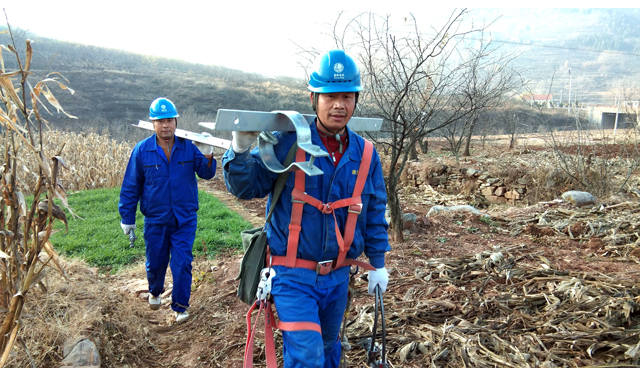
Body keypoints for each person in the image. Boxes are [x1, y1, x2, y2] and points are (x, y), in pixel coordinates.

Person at [222, 49, 390, 367]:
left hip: (338, 276)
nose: (339, 105)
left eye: (347, 96)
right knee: (307, 356)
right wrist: (241, 149)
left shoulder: (365, 155)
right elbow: (246, 187)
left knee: (329, 349)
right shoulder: (287, 142)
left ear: (355, 99)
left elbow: (374, 212)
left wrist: (378, 262)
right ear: (314, 97)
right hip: (291, 275)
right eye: (330, 96)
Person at [119, 97, 216, 323]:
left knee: (182, 262)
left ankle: (180, 307)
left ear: (176, 122)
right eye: (160, 121)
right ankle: (155, 291)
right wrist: (127, 217)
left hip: (184, 218)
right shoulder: (142, 151)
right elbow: (131, 185)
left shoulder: (189, 148)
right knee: (156, 262)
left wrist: (208, 152)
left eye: (170, 120)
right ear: (153, 123)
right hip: (156, 219)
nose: (166, 125)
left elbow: (207, 173)